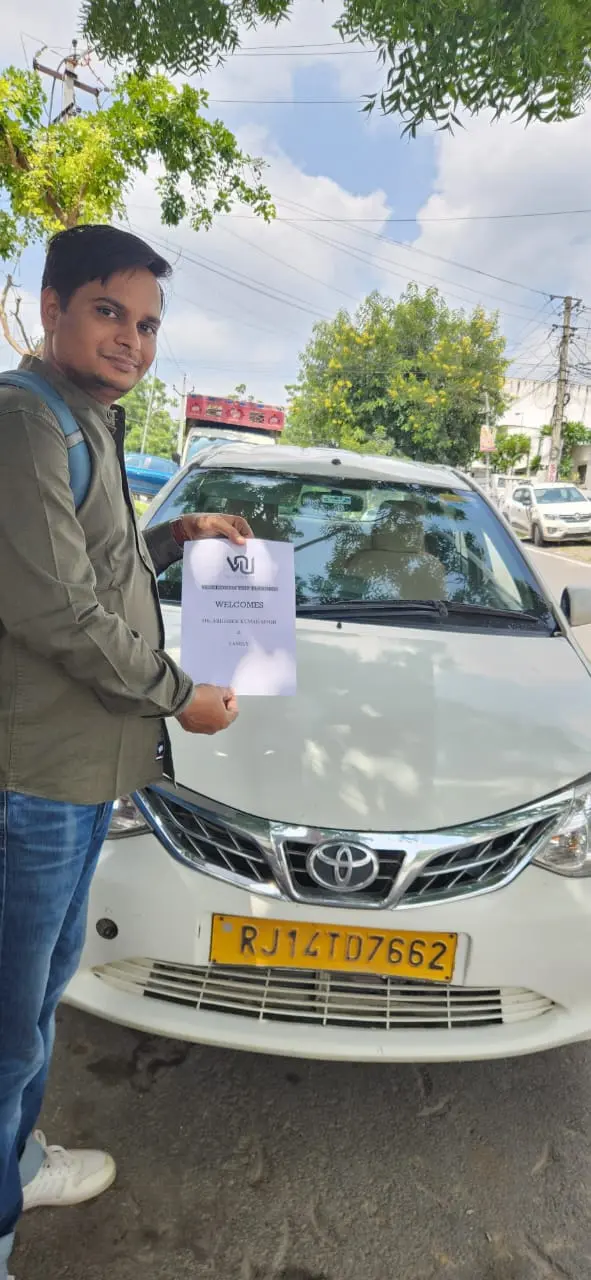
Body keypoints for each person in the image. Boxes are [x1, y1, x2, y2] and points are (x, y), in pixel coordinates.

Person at [0, 224, 253, 1278]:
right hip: (35, 781)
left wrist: (175, 539)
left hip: (79, 778)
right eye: (110, 311)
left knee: (39, 998)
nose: (133, 340)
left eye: (148, 324)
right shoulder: (22, 420)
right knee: (9, 1024)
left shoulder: (86, 420)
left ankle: (12, 1161)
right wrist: (178, 693)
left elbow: (96, 565)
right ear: (49, 304)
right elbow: (57, 608)